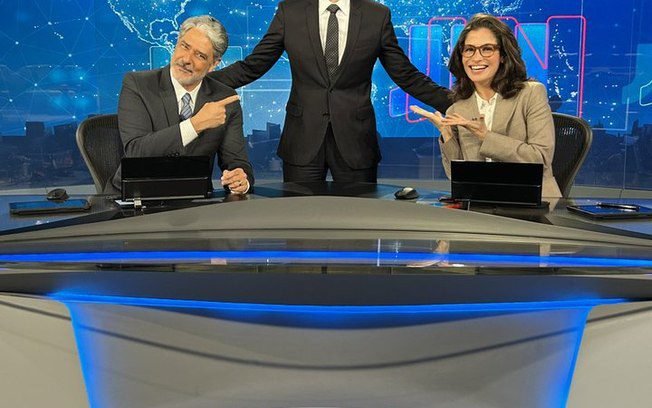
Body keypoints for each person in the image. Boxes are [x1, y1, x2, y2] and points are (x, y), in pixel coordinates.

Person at [209, 0, 451, 183]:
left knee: (357, 226)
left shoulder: (376, 15)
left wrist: (457, 103)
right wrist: (200, 84)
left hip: (356, 143)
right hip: (302, 141)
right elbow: (253, 66)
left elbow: (405, 74)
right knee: (300, 227)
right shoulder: (290, 12)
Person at [410, 14, 562, 198]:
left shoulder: (531, 94)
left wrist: (486, 136)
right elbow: (456, 177)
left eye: (487, 49)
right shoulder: (458, 108)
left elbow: (541, 159)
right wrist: (447, 133)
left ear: (503, 56)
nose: (476, 58)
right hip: (481, 201)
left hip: (531, 199)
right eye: (469, 50)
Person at [105, 15, 254, 195]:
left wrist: (240, 180)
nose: (186, 59)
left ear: (214, 64)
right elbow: (136, 151)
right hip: (135, 196)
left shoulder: (224, 99)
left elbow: (236, 161)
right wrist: (195, 125)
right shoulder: (138, 85)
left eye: (200, 55)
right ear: (176, 43)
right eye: (185, 46)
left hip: (194, 199)